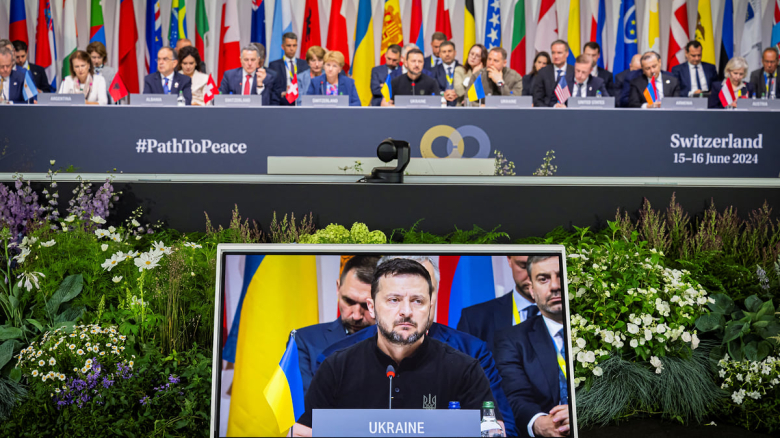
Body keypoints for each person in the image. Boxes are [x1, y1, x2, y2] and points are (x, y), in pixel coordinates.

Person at [293, 259, 502, 437]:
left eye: (417, 301)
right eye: (394, 300)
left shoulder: (464, 370)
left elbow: (494, 430)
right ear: (372, 307)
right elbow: (304, 431)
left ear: (430, 307)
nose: (406, 311)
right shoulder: (336, 367)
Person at [495, 256, 570, 438]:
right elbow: (515, 396)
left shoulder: (606, 329)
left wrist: (579, 411)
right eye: (543, 279)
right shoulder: (512, 340)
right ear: (532, 291)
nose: (555, 286)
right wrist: (539, 423)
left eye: (560, 276)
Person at [293, 256, 379, 395]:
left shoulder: (401, 344)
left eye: (367, 305)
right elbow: (308, 403)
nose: (356, 315)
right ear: (338, 288)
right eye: (349, 301)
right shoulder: (305, 341)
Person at [458, 256, 539, 356]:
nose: (532, 276)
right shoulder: (474, 319)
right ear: (509, 259)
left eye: (538, 266)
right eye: (524, 266)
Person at [268, 32, 310, 106]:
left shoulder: (305, 64)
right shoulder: (274, 65)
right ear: (282, 46)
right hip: (282, 102)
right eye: (288, 45)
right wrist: (282, 92)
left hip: (300, 102)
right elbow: (271, 88)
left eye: (294, 45)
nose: (291, 48)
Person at [532, 40, 575, 107]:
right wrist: (552, 109)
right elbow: (537, 100)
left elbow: (577, 99)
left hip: (569, 111)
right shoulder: (543, 72)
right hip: (548, 111)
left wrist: (567, 109)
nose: (556, 56)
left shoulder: (575, 72)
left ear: (567, 54)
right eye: (553, 53)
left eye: (559, 53)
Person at [431, 41, 461, 106]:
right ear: (440, 54)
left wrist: (459, 93)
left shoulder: (463, 69)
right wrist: (443, 94)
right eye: (444, 52)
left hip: (460, 105)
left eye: (449, 51)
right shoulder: (433, 71)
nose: (447, 54)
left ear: (455, 53)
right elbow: (431, 89)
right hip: (441, 106)